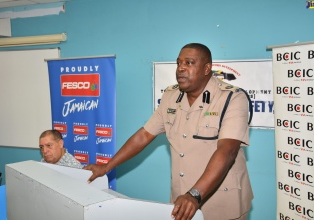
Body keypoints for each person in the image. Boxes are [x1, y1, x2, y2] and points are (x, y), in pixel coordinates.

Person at [84, 43, 253, 220]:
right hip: (182, 200)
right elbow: (144, 135)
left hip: (221, 202)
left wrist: (195, 194)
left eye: (189, 63)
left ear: (206, 68)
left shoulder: (232, 98)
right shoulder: (171, 96)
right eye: (179, 63)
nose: (181, 68)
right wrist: (106, 167)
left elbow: (228, 152)